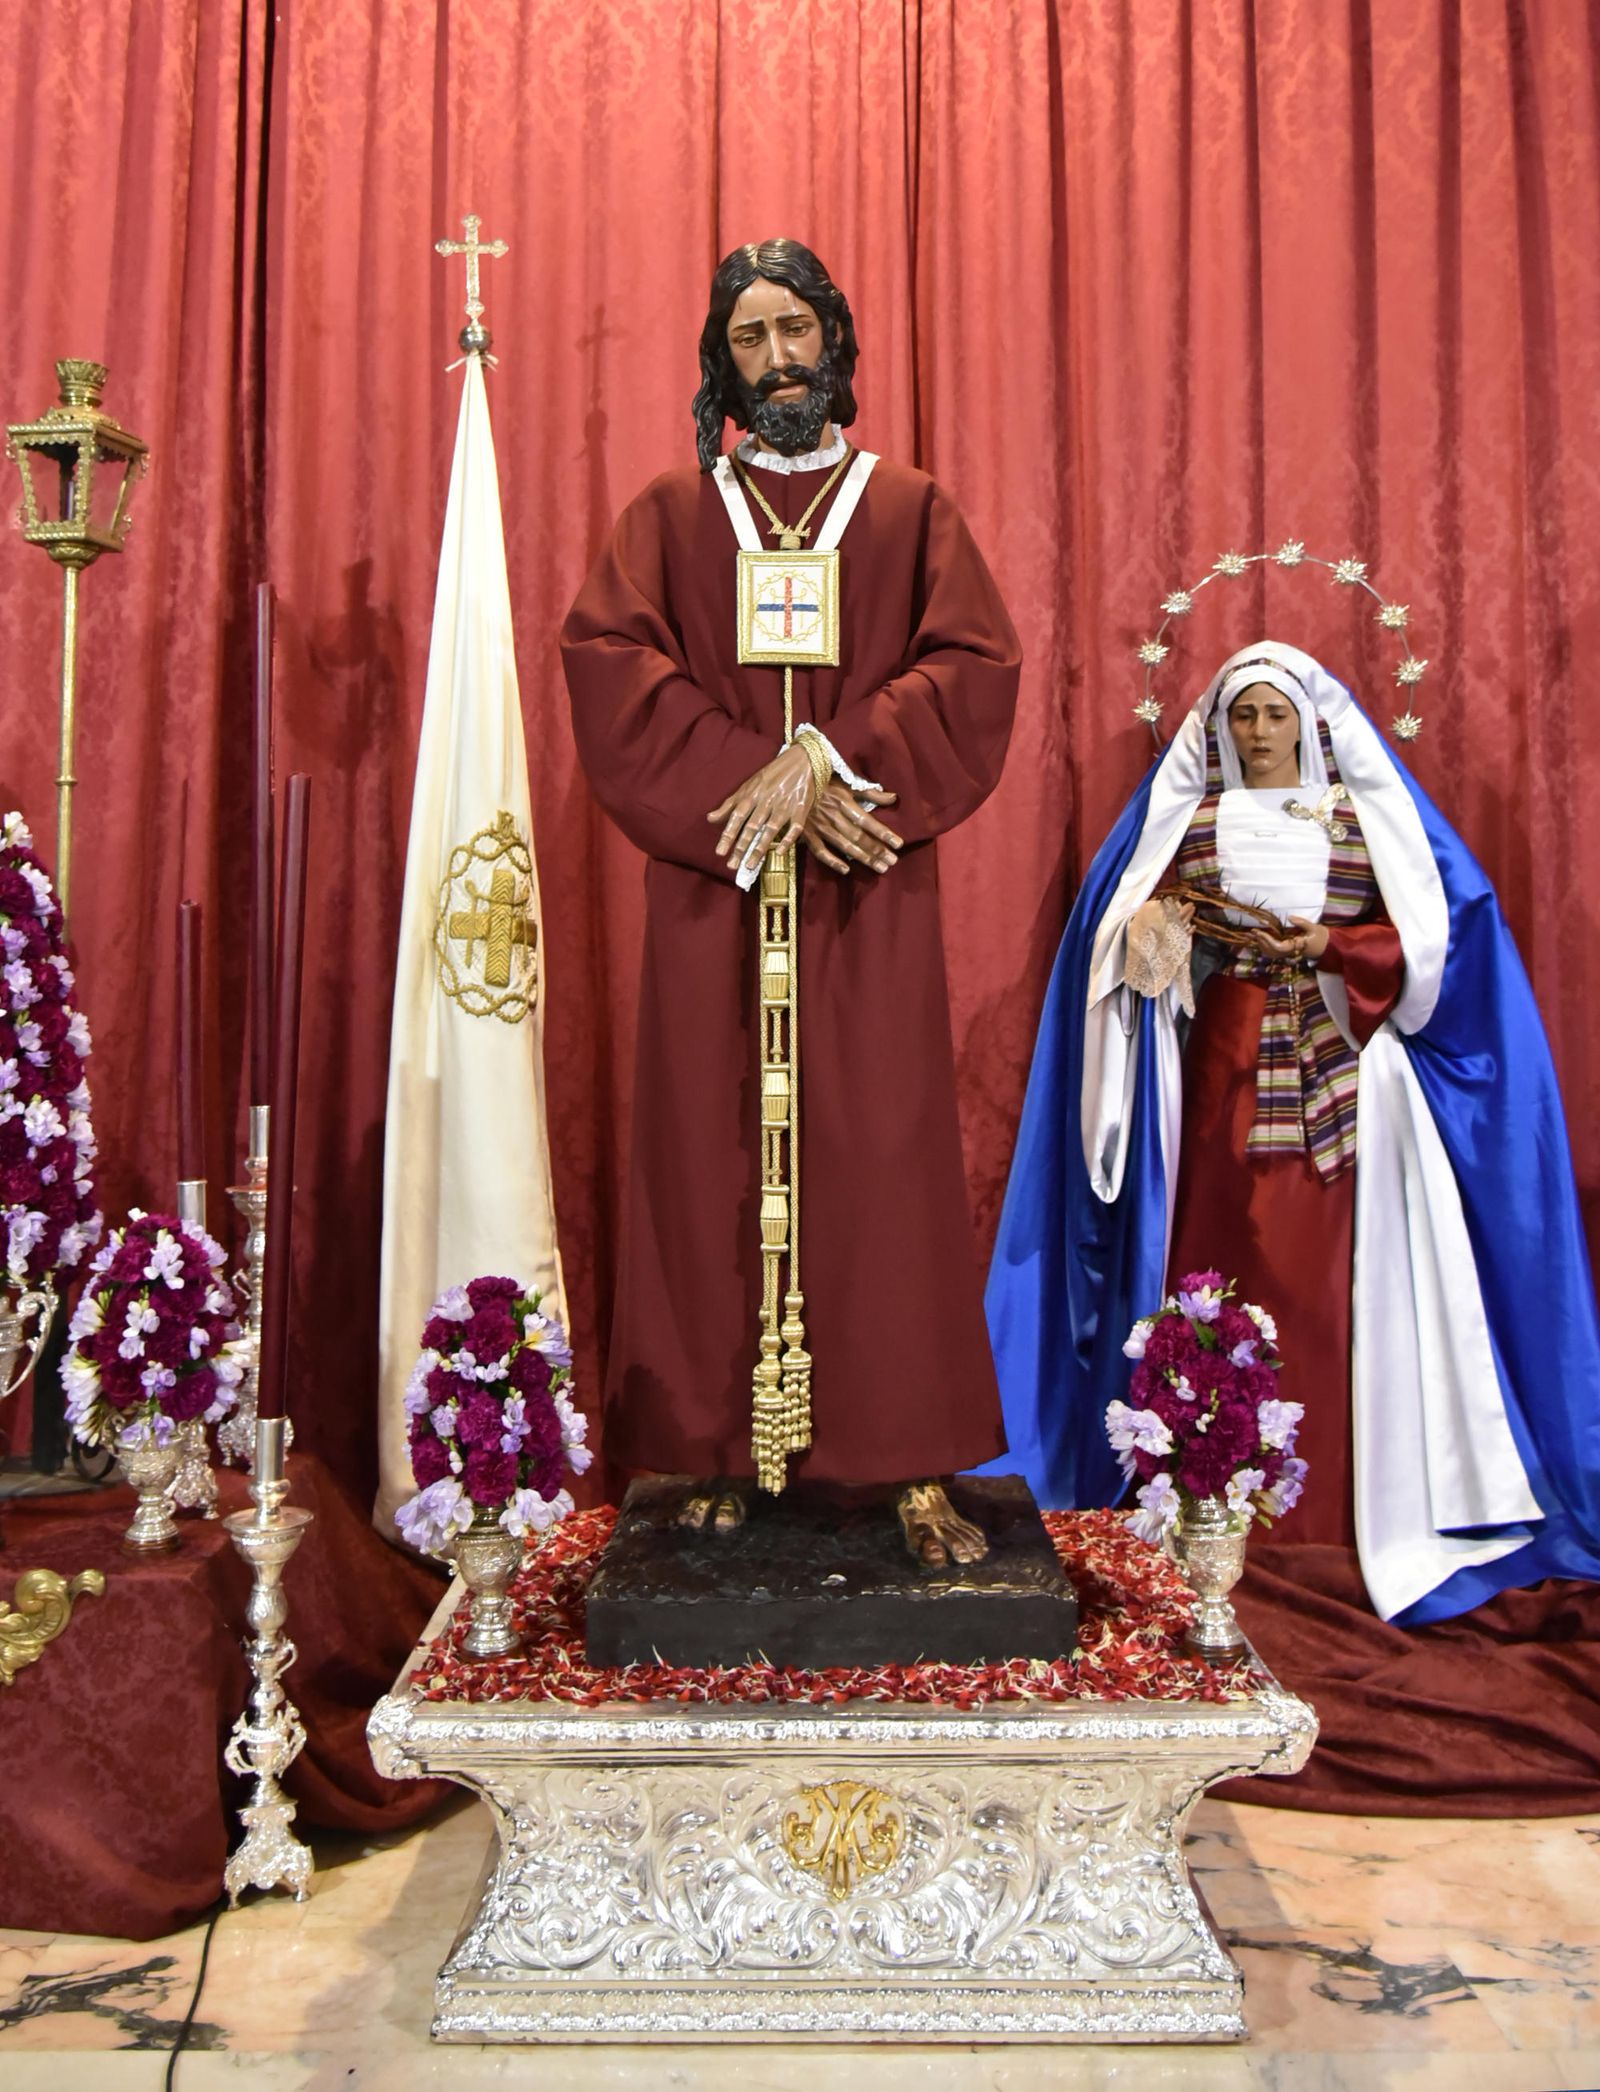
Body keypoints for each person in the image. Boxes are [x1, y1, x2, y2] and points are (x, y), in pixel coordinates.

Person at [561, 238, 1021, 1566]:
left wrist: (829, 759)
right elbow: (609, 660)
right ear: (721, 360)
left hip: (863, 894)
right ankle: (714, 1453)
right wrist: (748, 783)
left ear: (836, 345)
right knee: (708, 1158)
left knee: (883, 1163)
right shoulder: (668, 514)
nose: (776, 362)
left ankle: (902, 1462)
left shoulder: (909, 510)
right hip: (717, 891)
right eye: (750, 338)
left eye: (795, 333)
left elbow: (974, 662)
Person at [985, 639, 1600, 1624]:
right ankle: (1204, 1495)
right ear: (1218, 729)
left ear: (1310, 725)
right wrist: (1150, 941)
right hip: (1223, 1073)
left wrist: (1329, 944)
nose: (1260, 732)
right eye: (1242, 715)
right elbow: (1129, 934)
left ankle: (1332, 1508)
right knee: (1216, 1268)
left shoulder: (1363, 822)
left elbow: (1436, 940)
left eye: (1275, 715)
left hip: (1348, 1082)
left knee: (1329, 1282)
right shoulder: (1186, 824)